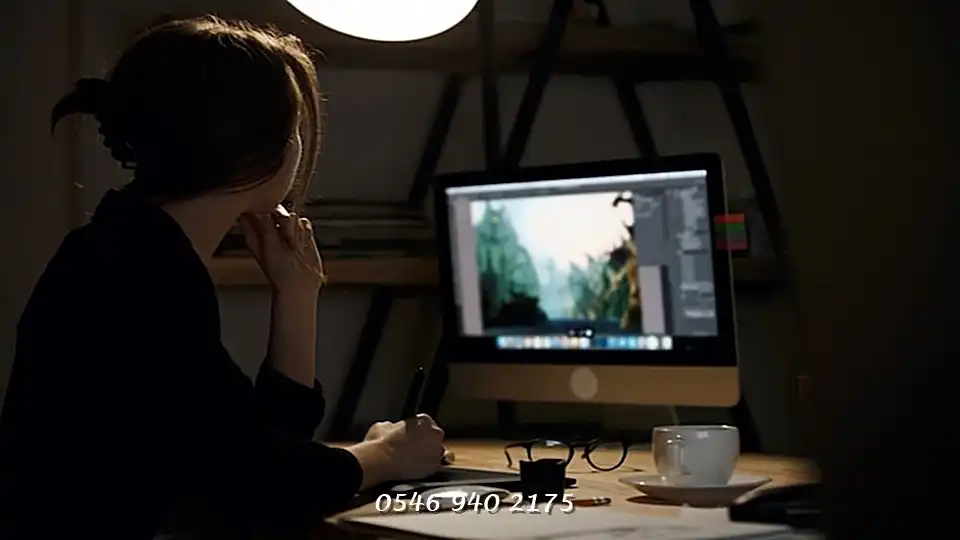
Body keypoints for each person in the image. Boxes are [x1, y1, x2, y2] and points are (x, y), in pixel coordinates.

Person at [0, 16, 445, 538]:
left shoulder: (125, 248)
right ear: (256, 148)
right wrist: (385, 456)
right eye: (294, 129)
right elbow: (255, 482)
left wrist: (296, 294)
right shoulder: (139, 274)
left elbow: (251, 445)